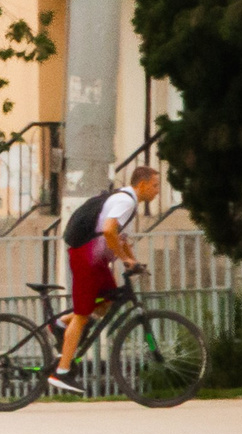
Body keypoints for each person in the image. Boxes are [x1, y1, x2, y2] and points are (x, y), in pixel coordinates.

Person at [49, 166, 162, 393]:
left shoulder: (128, 202)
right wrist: (124, 260)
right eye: (155, 185)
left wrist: (133, 260)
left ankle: (61, 324)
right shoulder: (126, 202)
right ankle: (61, 372)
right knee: (82, 316)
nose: (157, 191)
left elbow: (121, 237)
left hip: (96, 259)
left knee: (108, 301)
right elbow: (110, 231)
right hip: (87, 256)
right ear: (142, 184)